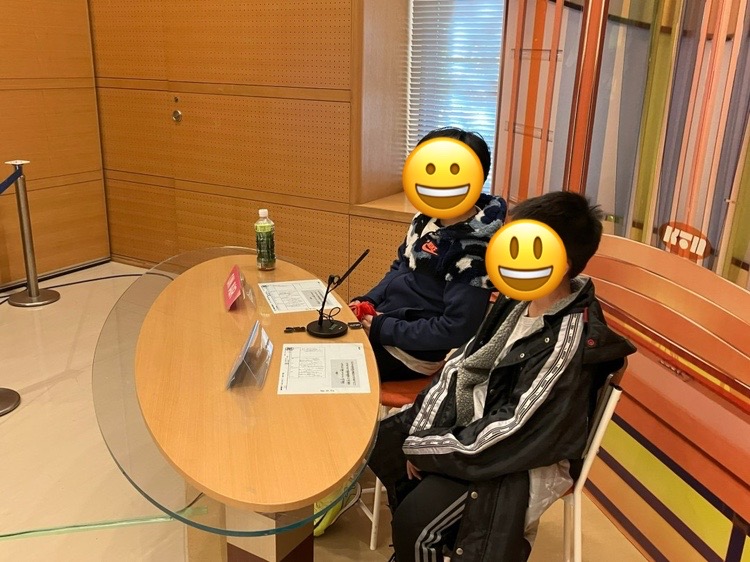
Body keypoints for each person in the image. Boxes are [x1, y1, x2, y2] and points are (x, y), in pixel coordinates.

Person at [368, 191, 637, 561]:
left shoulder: (566, 339)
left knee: (417, 522)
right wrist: (424, 435)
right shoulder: (519, 298)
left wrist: (429, 448)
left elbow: (516, 429)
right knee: (387, 445)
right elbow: (462, 364)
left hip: (519, 458)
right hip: (480, 427)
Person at [351, 127, 507, 382]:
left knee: (328, 364)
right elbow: (401, 266)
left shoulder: (475, 249)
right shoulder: (425, 219)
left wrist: (383, 328)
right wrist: (369, 301)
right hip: (387, 326)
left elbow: (456, 329)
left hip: (410, 355)